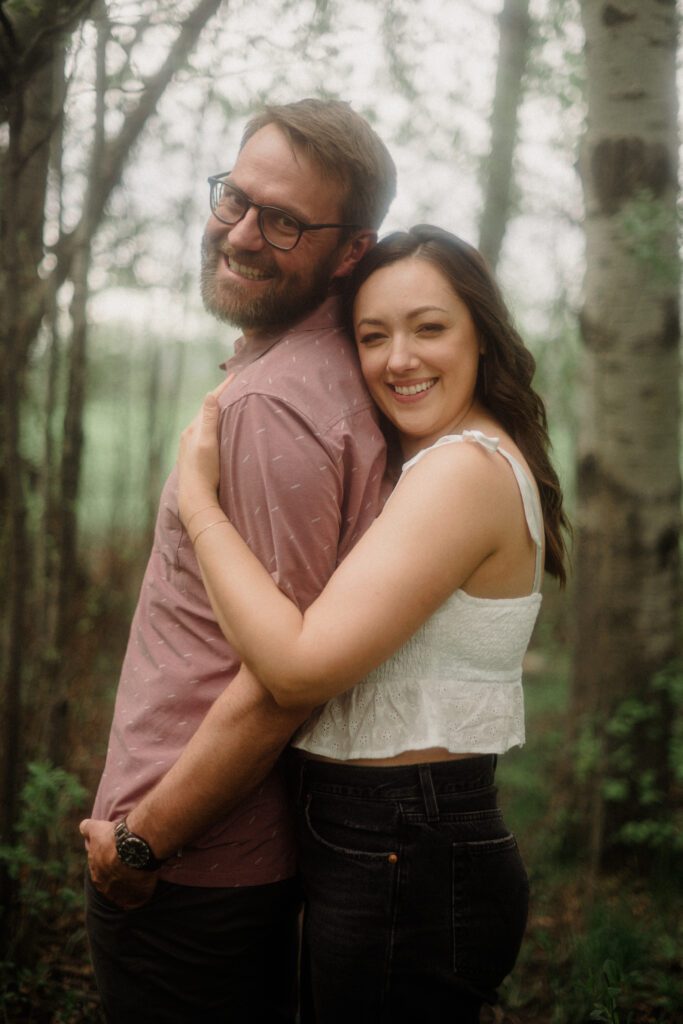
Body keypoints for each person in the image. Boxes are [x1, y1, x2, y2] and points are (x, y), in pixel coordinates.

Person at [167, 224, 570, 1022]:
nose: (399, 360)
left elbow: (297, 668)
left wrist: (197, 502)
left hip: (406, 843)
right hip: (388, 836)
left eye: (429, 328)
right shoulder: (446, 457)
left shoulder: (462, 470)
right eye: (372, 336)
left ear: (480, 336)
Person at [79, 98, 396, 1023]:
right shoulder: (311, 371)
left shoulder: (275, 407)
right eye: (236, 199)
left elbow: (281, 677)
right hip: (215, 859)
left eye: (285, 221)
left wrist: (140, 850)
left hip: (189, 868)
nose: (243, 234)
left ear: (351, 251)